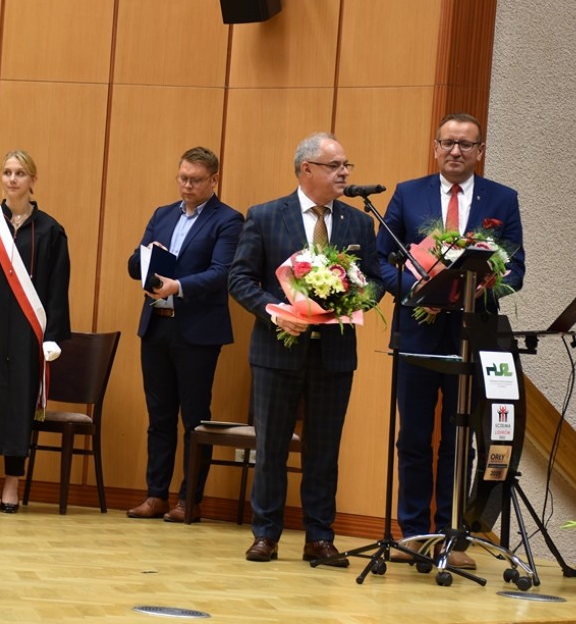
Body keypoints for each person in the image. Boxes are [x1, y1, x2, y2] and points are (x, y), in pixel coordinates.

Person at [377, 112, 525, 570]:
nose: (456, 151)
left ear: (480, 151)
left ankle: (451, 535)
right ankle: (413, 533)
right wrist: (418, 289)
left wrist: (481, 289)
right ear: (436, 147)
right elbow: (381, 260)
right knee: (414, 435)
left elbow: (516, 268)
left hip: (472, 335)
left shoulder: (502, 198)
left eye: (466, 144)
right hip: (419, 330)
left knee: (460, 437)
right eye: (448, 143)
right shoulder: (408, 193)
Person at [228, 132, 383, 563]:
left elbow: (375, 280)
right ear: (307, 169)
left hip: (334, 354)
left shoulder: (358, 222)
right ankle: (266, 534)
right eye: (335, 166)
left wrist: (351, 301)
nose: (344, 173)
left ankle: (319, 536)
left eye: (346, 166)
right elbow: (240, 279)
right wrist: (276, 313)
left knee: (324, 451)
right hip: (277, 350)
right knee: (272, 447)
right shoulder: (264, 216)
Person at [125, 147, 244, 523]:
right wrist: (147, 256)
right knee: (159, 416)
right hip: (156, 325)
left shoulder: (228, 220)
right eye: (182, 178)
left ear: (214, 180)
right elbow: (134, 265)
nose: (187, 185)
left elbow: (222, 273)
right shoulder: (162, 214)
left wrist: (177, 286)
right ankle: (156, 495)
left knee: (194, 418)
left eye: (195, 180)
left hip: (197, 331)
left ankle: (189, 500)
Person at [0, 150, 71, 513]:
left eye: (20, 173)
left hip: (27, 336)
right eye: (7, 172)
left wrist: (52, 335)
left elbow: (57, 288)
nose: (12, 179)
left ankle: (12, 482)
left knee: (20, 406)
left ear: (33, 180)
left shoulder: (51, 231)